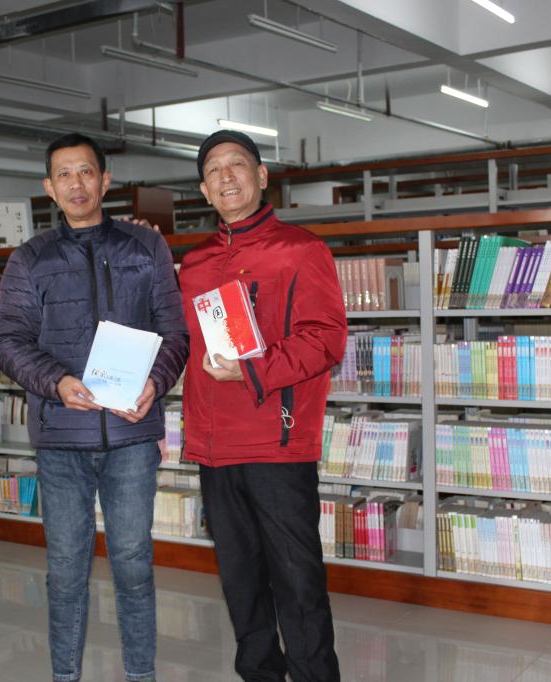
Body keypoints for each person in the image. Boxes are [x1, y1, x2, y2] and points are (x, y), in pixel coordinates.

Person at [0, 132, 188, 682]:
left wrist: (156, 381)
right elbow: (6, 341)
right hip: (61, 439)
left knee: (133, 563)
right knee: (65, 569)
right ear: (49, 188)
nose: (76, 184)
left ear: (105, 180)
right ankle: (65, 676)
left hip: (131, 436)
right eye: (64, 175)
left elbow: (175, 332)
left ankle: (141, 676)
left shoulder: (145, 248)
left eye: (86, 172)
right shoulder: (29, 260)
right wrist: (57, 382)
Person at [178, 130, 346, 682]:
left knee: (298, 583)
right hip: (213, 446)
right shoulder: (195, 263)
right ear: (204, 191)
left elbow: (326, 339)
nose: (226, 177)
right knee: (241, 583)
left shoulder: (301, 250)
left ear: (262, 176)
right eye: (214, 171)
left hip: (276, 441)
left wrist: (253, 368)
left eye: (237, 165)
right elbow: (180, 342)